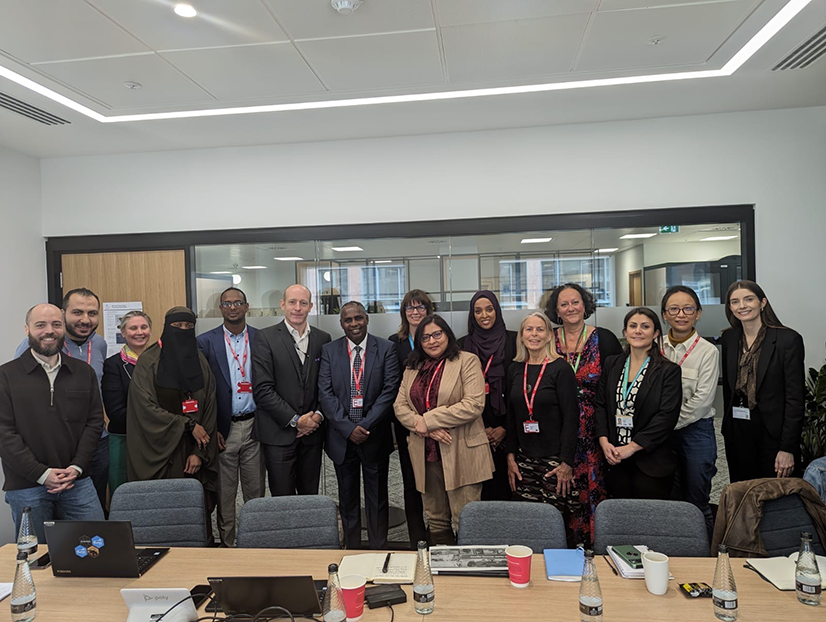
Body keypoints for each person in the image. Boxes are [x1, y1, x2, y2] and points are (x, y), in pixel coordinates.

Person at [0, 304, 104, 543]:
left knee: (96, 550)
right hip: (27, 485)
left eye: (56, 324)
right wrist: (41, 474)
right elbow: (4, 434)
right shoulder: (5, 376)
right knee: (35, 561)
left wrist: (77, 467)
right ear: (27, 330)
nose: (50, 331)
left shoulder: (83, 372)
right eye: (41, 325)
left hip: (77, 482)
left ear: (64, 329)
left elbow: (94, 423)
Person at [393, 314, 493, 545]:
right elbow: (400, 406)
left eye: (437, 334)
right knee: (435, 517)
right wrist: (425, 429)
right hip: (425, 453)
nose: (432, 341)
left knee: (464, 517)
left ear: (447, 334)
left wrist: (428, 420)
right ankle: (442, 572)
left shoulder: (466, 361)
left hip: (462, 449)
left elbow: (474, 404)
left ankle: (468, 575)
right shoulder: (412, 367)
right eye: (425, 337)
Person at [14, 288, 109, 510]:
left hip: (96, 443)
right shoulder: (32, 346)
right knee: (52, 515)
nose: (85, 319)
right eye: (77, 312)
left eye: (92, 313)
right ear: (63, 313)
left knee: (91, 513)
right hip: (53, 447)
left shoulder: (100, 345)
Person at [126, 307, 219, 528]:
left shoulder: (200, 361)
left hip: (194, 449)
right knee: (164, 512)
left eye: (189, 327)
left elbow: (209, 407)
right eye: (177, 327)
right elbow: (145, 408)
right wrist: (187, 424)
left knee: (195, 513)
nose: (183, 331)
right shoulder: (149, 362)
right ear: (166, 328)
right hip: (161, 452)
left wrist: (199, 453)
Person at [545, 283, 623, 546]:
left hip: (593, 429)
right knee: (558, 489)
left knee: (593, 491)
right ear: (556, 310)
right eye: (564, 304)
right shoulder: (547, 339)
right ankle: (559, 544)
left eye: (575, 302)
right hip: (557, 429)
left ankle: (594, 547)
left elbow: (616, 386)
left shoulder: (605, 338)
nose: (571, 308)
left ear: (585, 304)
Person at [318, 301, 400, 549]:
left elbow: (390, 390)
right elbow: (325, 393)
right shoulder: (330, 350)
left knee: (377, 498)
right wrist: (348, 428)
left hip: (373, 436)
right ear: (341, 323)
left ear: (367, 319)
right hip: (342, 438)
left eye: (358, 318)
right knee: (347, 497)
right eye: (348, 320)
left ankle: (378, 549)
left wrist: (364, 426)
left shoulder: (386, 349)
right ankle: (352, 549)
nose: (354, 324)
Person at [197, 287, 264, 547]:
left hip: (254, 426)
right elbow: (200, 392)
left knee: (255, 491)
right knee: (225, 493)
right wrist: (210, 428)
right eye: (227, 303)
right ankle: (227, 545)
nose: (233, 308)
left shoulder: (261, 339)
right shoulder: (205, 341)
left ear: (247, 307)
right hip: (223, 429)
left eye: (238, 303)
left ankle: (255, 542)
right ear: (220, 308)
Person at [505, 312, 580, 544]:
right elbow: (511, 417)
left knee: (553, 521)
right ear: (521, 336)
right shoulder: (515, 369)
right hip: (524, 459)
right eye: (529, 329)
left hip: (554, 461)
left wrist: (566, 462)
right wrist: (510, 457)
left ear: (549, 336)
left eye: (540, 330)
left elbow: (571, 418)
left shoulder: (561, 369)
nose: (534, 334)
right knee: (526, 521)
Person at [721, 280, 805, 482]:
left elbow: (795, 399)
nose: (742, 306)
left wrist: (787, 448)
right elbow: (728, 389)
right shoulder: (730, 338)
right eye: (735, 302)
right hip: (738, 429)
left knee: (772, 495)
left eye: (748, 299)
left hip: (773, 431)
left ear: (763, 302)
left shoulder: (787, 339)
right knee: (742, 488)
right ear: (730, 308)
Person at [595, 307, 681, 500]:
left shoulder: (668, 370)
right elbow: (600, 404)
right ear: (625, 332)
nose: (638, 331)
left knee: (649, 521)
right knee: (620, 517)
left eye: (645, 326)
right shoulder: (611, 364)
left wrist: (632, 447)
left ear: (656, 332)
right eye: (632, 326)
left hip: (651, 461)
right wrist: (603, 441)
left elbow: (666, 417)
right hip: (614, 456)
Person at [252, 284, 330, 496]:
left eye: (303, 303)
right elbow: (262, 389)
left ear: (310, 306)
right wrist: (296, 420)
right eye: (292, 302)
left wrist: (316, 417)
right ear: (282, 305)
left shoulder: (323, 339)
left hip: (312, 434)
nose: (298, 308)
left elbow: (327, 386)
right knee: (283, 500)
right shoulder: (265, 338)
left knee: (309, 496)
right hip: (279, 434)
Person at [660, 286, 720, 536]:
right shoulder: (655, 347)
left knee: (697, 498)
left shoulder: (708, 351)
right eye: (673, 309)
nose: (680, 314)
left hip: (696, 431)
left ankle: (704, 554)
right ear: (665, 315)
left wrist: (664, 424)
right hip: (661, 434)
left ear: (698, 314)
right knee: (666, 496)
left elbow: (701, 402)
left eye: (688, 309)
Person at [458, 290, 517, 501]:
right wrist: (480, 428)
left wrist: (505, 428)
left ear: (497, 311)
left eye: (489, 309)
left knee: (508, 487)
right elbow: (457, 394)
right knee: (478, 489)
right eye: (478, 311)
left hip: (509, 426)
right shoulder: (461, 345)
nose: (484, 315)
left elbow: (520, 390)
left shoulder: (515, 340)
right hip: (473, 428)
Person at [388, 289, 433, 548]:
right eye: (410, 308)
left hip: (437, 424)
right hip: (407, 424)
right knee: (411, 480)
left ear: (429, 310)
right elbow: (393, 385)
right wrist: (411, 419)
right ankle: (417, 535)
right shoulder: (395, 342)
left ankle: (438, 531)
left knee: (438, 479)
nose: (415, 312)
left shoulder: (438, 338)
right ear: (404, 313)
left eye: (420, 307)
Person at [102, 310, 152, 495]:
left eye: (143, 327)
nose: (139, 332)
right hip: (124, 438)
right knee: (123, 492)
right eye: (133, 328)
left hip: (157, 440)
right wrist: (155, 422)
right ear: (123, 333)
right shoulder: (113, 365)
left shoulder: (160, 361)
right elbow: (115, 412)